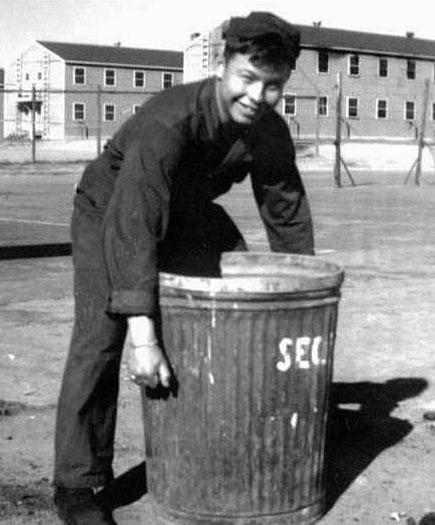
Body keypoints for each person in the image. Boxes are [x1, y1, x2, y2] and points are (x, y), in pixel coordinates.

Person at [53, 11, 315, 524]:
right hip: (112, 208)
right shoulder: (169, 121)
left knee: (237, 293)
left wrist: (299, 297)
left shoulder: (270, 130)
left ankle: (218, 430)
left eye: (273, 86)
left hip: (188, 210)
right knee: (102, 336)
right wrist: (144, 335)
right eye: (247, 79)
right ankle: (77, 485)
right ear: (222, 64)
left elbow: (285, 210)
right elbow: (135, 219)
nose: (256, 97)